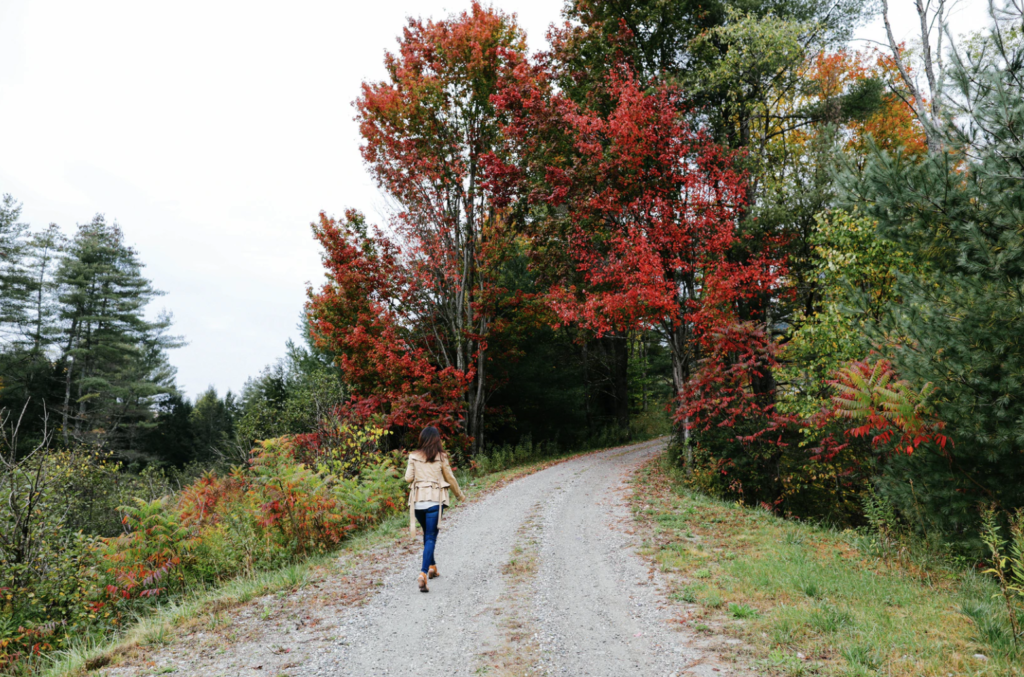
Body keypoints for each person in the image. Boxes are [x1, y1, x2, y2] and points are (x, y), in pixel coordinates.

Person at [404, 426, 466, 592]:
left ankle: (432, 567)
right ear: (437, 440)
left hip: (417, 503)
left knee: (427, 535)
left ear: (422, 439)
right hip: (434, 501)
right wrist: (459, 495)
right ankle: (423, 573)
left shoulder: (413, 456)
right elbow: (450, 478)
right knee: (431, 537)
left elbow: (408, 478)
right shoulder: (441, 457)